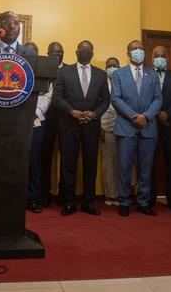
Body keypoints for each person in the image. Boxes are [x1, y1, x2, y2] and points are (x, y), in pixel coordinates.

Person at [53, 40, 110, 216]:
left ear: (92, 53)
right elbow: (56, 97)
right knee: (68, 165)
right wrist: (72, 112)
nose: (85, 52)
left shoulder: (101, 74)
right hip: (69, 124)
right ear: (76, 52)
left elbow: (106, 100)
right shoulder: (64, 72)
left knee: (90, 165)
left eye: (88, 50)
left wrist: (94, 114)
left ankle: (88, 202)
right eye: (82, 49)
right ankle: (69, 202)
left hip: (91, 125)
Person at [112, 40, 162, 217]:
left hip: (148, 127)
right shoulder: (119, 74)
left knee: (146, 168)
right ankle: (124, 201)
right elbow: (116, 99)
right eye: (134, 49)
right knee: (125, 167)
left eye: (141, 48)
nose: (138, 51)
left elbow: (158, 99)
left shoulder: (152, 75)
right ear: (128, 53)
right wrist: (135, 116)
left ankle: (143, 202)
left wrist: (146, 116)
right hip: (126, 127)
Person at [150, 46, 171, 211]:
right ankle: (149, 198)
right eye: (156, 55)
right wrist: (155, 113)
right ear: (151, 57)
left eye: (163, 55)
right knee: (149, 163)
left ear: (168, 58)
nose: (160, 57)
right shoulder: (146, 75)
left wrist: (168, 114)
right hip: (150, 125)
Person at [23, 41, 53, 213]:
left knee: (35, 160)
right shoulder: (17, 69)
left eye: (34, 51)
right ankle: (18, 197)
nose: (30, 54)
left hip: (37, 120)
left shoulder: (44, 71)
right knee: (18, 160)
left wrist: (35, 111)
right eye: (27, 51)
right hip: (17, 121)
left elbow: (47, 95)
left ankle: (33, 197)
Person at [40, 41, 66, 207]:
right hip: (46, 119)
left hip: (66, 119)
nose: (56, 55)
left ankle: (64, 194)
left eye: (59, 52)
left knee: (66, 157)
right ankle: (44, 193)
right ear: (48, 53)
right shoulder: (42, 68)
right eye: (53, 52)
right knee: (45, 157)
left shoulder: (70, 70)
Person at [101, 57, 120, 206]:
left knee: (124, 161)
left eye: (115, 65)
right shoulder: (101, 82)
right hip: (105, 126)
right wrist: (99, 127)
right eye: (109, 66)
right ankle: (110, 195)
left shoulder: (123, 81)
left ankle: (121, 193)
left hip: (124, 126)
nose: (112, 67)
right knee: (108, 162)